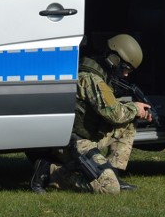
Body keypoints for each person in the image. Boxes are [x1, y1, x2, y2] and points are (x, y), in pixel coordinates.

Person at [30, 34, 153, 195]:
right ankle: (52, 173)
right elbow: (115, 114)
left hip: (85, 137)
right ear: (114, 59)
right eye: (125, 69)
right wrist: (135, 108)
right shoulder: (93, 79)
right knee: (110, 188)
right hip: (75, 143)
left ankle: (113, 172)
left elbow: (110, 107)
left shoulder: (99, 73)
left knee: (129, 122)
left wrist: (135, 111)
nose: (126, 74)